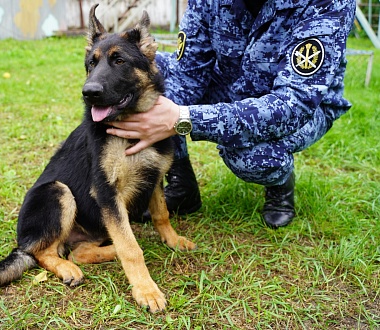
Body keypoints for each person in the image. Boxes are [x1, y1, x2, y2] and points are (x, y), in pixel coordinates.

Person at [106, 0, 356, 228]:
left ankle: (280, 184)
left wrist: (180, 119)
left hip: (304, 105)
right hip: (231, 84)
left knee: (248, 154)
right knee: (148, 74)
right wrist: (158, 113)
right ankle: (182, 186)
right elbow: (187, 74)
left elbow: (294, 105)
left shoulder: (327, 2)